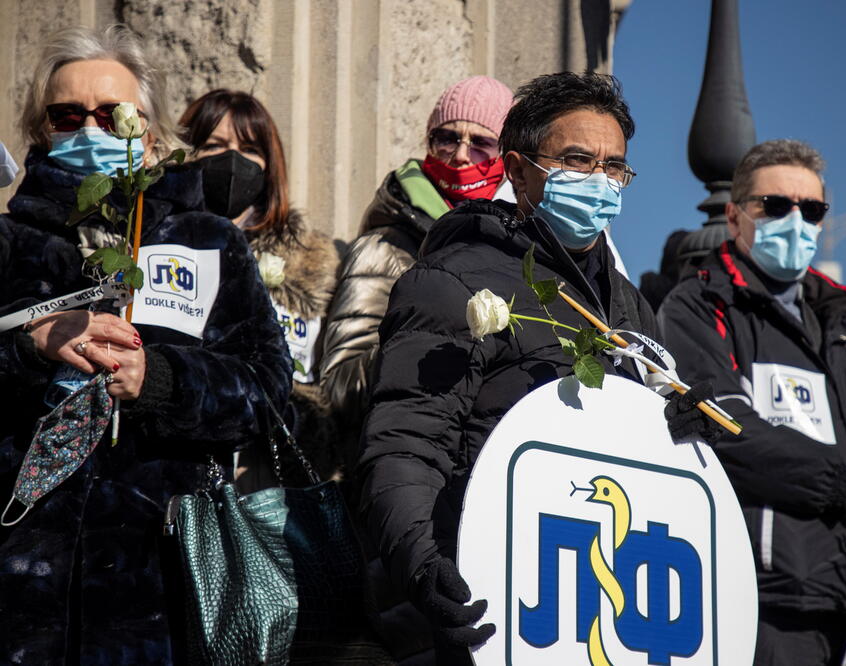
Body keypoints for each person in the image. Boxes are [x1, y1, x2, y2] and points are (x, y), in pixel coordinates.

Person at [356, 71, 679, 663]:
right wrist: (424, 569)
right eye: (578, 160)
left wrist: (690, 430)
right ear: (519, 170)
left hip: (590, 611)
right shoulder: (452, 282)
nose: (598, 182)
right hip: (478, 608)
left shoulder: (630, 307)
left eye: (614, 168)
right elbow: (406, 445)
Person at [0, 25, 290, 663]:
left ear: (151, 136)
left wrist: (160, 379)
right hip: (19, 599)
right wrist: (27, 344)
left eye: (114, 114)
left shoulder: (208, 242)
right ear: (40, 130)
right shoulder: (8, 243)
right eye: (68, 115)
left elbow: (270, 395)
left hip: (159, 592)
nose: (92, 130)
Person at [657, 139, 846, 665]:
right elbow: (724, 429)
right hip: (765, 598)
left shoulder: (844, 324)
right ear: (734, 216)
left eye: (813, 210)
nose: (796, 221)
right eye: (776, 206)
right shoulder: (701, 305)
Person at [319, 75, 513, 470]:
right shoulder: (384, 247)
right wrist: (423, 346)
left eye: (481, 144)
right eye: (446, 138)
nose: (461, 155)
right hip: (403, 462)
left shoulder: (517, 250)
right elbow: (337, 386)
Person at [179, 89, 340, 482]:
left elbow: (322, 390)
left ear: (269, 164)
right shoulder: (159, 248)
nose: (233, 160)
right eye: (215, 145)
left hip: (268, 482)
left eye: (250, 149)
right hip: (178, 473)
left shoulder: (314, 261)